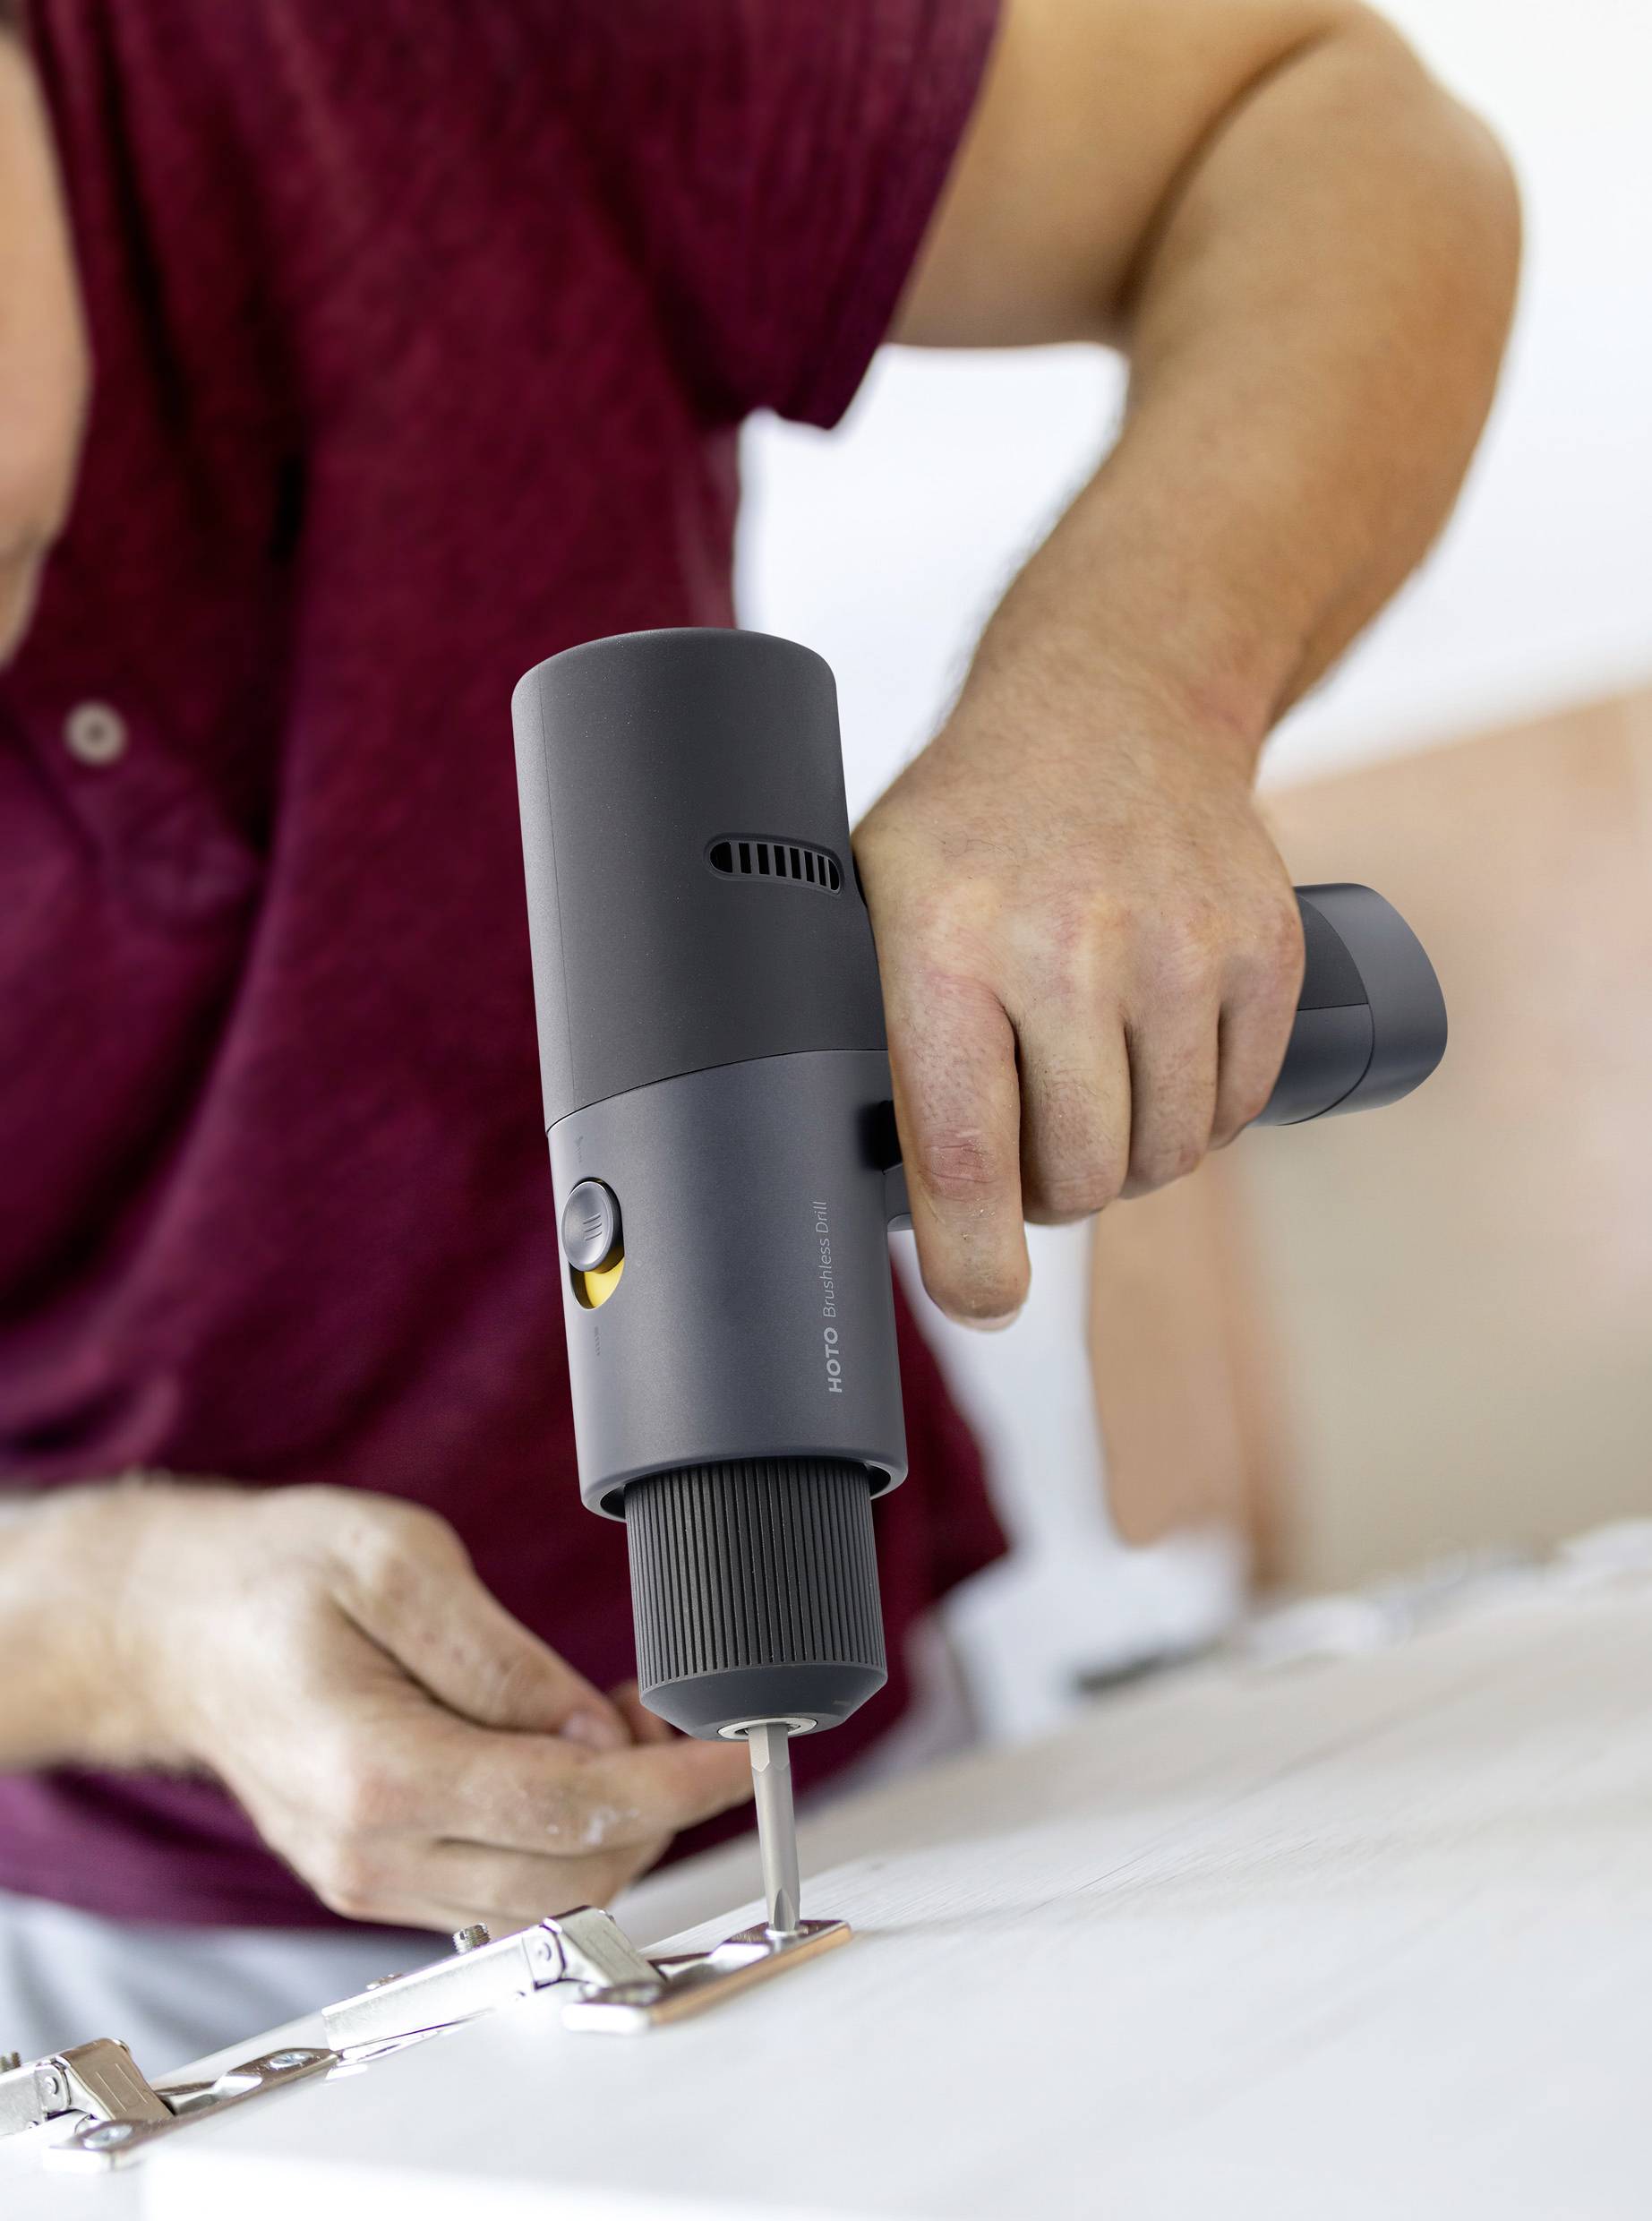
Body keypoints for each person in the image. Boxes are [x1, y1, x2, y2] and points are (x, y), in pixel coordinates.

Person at [0, 0, 1517, 2062]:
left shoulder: (421, 52)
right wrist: (114, 1625)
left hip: (895, 1773)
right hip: (128, 1952)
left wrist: (1123, 697)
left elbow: (1324, 125)